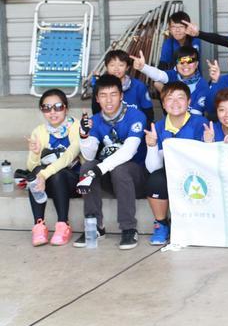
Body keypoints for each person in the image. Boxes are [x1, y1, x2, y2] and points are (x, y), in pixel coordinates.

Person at [75, 74, 148, 250]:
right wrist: (84, 136)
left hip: (136, 177)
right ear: (97, 98)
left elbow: (129, 151)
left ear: (121, 96)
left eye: (113, 94)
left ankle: (129, 228)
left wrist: (99, 170)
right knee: (86, 167)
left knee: (120, 168)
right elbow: (89, 156)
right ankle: (95, 227)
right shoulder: (95, 120)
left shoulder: (136, 116)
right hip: (110, 176)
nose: (108, 100)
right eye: (103, 95)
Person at [144, 81, 206, 245]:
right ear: (163, 104)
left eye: (180, 98)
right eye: (170, 98)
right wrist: (151, 146)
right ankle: (161, 224)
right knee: (155, 179)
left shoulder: (200, 123)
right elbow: (153, 167)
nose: (175, 103)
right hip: (171, 172)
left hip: (196, 172)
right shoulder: (158, 126)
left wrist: (208, 143)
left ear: (189, 102)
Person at [26, 89, 81, 246]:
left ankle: (63, 224)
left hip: (73, 182)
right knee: (35, 172)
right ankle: (39, 225)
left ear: (66, 108)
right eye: (47, 108)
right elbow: (31, 166)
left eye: (58, 107)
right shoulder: (39, 131)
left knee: (57, 174)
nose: (52, 112)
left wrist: (43, 175)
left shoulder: (76, 126)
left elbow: (68, 157)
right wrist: (36, 153)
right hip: (47, 183)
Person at [131, 46, 208, 116]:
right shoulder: (174, 75)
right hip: (170, 121)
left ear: (197, 64)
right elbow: (159, 75)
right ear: (176, 65)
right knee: (157, 83)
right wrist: (143, 67)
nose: (185, 65)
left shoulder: (202, 86)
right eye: (181, 61)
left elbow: (196, 116)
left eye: (190, 61)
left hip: (192, 124)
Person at [91, 49, 154, 125]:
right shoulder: (101, 86)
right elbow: (96, 112)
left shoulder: (139, 86)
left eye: (121, 65)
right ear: (106, 67)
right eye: (112, 65)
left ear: (127, 67)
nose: (116, 69)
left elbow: (148, 113)